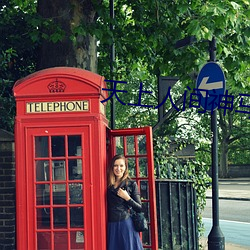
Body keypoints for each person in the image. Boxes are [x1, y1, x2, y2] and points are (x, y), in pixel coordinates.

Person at [107, 154, 144, 250]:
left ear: (125, 168)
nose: (118, 168)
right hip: (111, 225)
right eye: (115, 165)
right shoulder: (108, 183)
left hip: (125, 224)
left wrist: (127, 198)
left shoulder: (131, 184)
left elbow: (139, 208)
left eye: (121, 166)